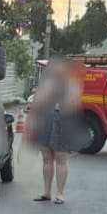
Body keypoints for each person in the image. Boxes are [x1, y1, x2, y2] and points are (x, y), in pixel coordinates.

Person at [26, 57, 83, 205]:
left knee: (61, 158)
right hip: (46, 120)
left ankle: (60, 193)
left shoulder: (71, 83)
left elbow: (72, 103)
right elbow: (38, 100)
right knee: (46, 158)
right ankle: (46, 192)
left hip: (62, 122)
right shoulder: (47, 84)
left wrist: (56, 103)